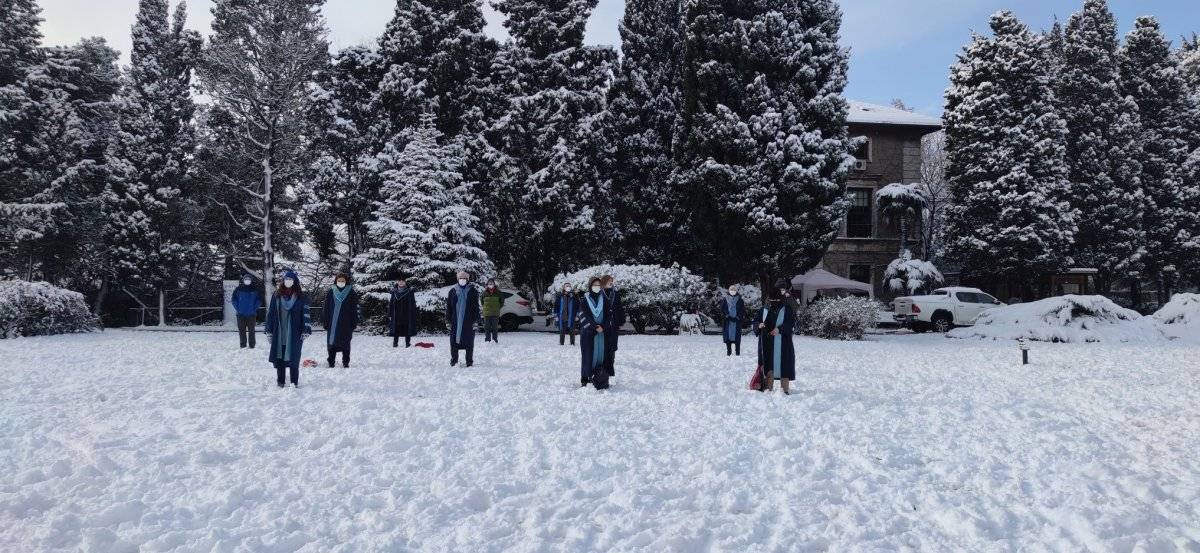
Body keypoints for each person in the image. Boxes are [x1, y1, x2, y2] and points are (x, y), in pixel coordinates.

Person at [265, 270, 312, 388]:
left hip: (295, 332)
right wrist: (269, 330)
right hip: (279, 331)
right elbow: (271, 313)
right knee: (279, 356)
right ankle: (280, 381)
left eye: (291, 279)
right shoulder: (276, 295)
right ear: (283, 281)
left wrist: (306, 329)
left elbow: (306, 313)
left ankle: (293, 382)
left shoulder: (301, 297)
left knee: (294, 357)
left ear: (295, 281)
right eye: (286, 279)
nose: (288, 281)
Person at [756, 282, 796, 394]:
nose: (774, 303)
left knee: (784, 363)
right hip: (767, 342)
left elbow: (791, 323)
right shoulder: (764, 310)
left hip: (783, 342)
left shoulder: (786, 309)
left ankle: (785, 388)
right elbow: (756, 321)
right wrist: (759, 325)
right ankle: (768, 387)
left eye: (776, 300)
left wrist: (780, 329)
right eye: (772, 300)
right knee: (768, 363)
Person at [579, 277, 612, 389]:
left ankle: (599, 376)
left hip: (602, 333)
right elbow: (583, 315)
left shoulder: (605, 300)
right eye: (594, 285)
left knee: (600, 355)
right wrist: (594, 326)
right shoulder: (584, 300)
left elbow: (609, 315)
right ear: (590, 286)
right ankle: (586, 378)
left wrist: (603, 326)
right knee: (588, 355)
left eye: (599, 285)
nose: (597, 287)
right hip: (589, 332)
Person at [322, 273, 359, 368]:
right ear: (336, 281)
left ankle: (345, 362)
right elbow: (326, 308)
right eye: (339, 280)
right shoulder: (331, 292)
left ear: (346, 281)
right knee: (332, 343)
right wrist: (325, 321)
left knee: (346, 343)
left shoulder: (351, 292)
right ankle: (331, 362)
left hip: (346, 323)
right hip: (332, 323)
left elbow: (354, 309)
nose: (341, 282)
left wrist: (354, 322)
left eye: (343, 281)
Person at [446, 270, 480, 367]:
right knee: (453, 342)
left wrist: (476, 321)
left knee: (469, 342)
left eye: (464, 278)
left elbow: (475, 307)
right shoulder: (452, 291)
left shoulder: (472, 291)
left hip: (468, 321)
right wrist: (448, 320)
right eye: (460, 278)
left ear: (467, 279)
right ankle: (454, 360)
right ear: (458, 279)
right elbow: (449, 307)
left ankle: (469, 361)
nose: (462, 280)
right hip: (455, 321)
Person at [601, 275, 625, 378]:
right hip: (603, 325)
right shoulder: (600, 293)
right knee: (604, 346)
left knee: (613, 346)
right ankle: (603, 368)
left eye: (612, 281)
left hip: (614, 324)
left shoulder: (616, 293)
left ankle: (611, 367)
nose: (611, 283)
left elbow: (620, 307)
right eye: (609, 281)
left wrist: (620, 321)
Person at [230, 274, 261, 349]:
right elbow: (233, 299)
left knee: (252, 331)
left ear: (251, 280)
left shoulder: (255, 289)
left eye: (249, 279)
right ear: (243, 280)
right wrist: (238, 308)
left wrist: (254, 308)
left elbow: (259, 300)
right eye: (246, 279)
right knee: (241, 330)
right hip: (240, 314)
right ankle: (243, 345)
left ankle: (252, 345)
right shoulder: (238, 289)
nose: (247, 280)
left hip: (251, 314)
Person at [388, 279, 417, 348]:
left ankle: (407, 343)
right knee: (396, 328)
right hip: (396, 314)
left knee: (407, 328)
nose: (401, 282)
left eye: (403, 281)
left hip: (406, 313)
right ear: (397, 282)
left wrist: (413, 313)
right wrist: (390, 314)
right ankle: (395, 343)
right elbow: (391, 303)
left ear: (405, 283)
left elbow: (413, 303)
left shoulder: (409, 291)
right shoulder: (394, 292)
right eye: (399, 281)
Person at [720, 285, 746, 356]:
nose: (733, 291)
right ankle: (729, 352)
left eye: (734, 290)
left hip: (737, 321)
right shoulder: (725, 299)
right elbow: (722, 309)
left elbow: (742, 310)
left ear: (736, 291)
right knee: (728, 337)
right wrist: (726, 316)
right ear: (729, 290)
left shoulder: (740, 300)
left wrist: (738, 317)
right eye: (731, 289)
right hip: (728, 321)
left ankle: (737, 352)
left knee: (737, 337)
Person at [481, 278, 504, 343]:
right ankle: (487, 340)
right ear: (487, 285)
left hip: (495, 313)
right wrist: (486, 308)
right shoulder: (484, 293)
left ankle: (495, 339)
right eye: (489, 284)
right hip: (487, 314)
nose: (490, 285)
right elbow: (482, 301)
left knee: (495, 328)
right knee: (487, 328)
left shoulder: (498, 292)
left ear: (494, 284)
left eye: (492, 284)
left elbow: (502, 302)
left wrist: (498, 307)